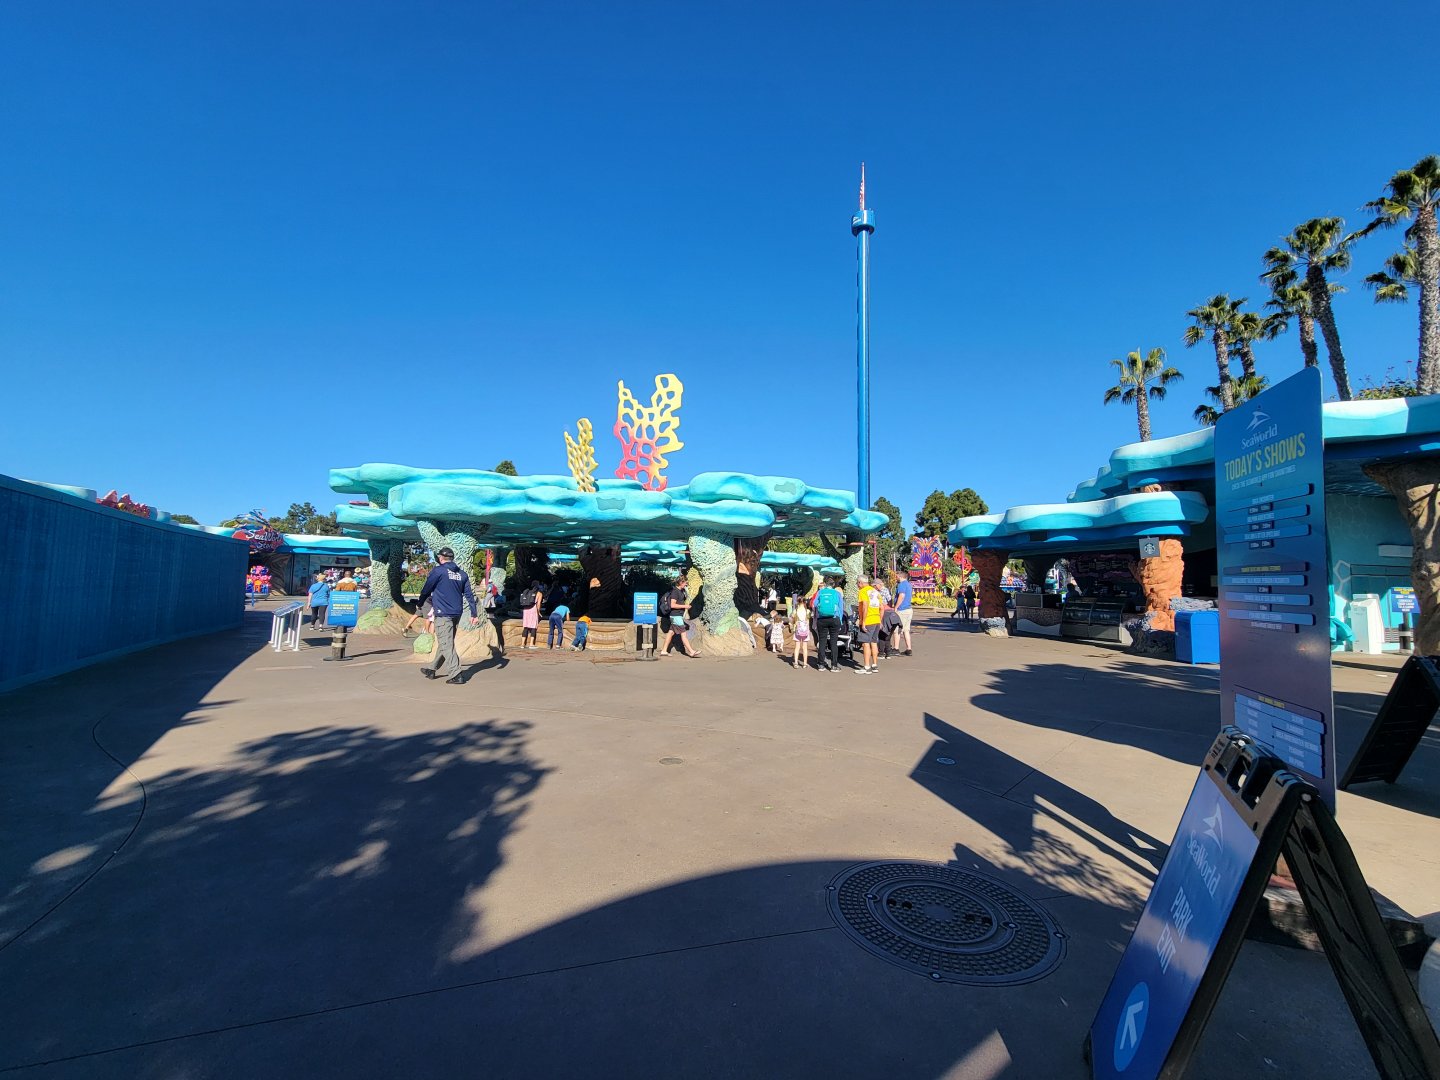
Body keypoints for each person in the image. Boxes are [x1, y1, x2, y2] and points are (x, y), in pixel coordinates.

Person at [417, 546, 480, 684]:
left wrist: (420, 603)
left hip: (443, 613)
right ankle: (432, 668)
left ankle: (456, 673)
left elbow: (427, 588)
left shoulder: (439, 571)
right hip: (457, 613)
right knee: (446, 643)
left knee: (446, 644)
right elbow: (470, 595)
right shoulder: (462, 574)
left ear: (440, 558)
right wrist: (474, 613)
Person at [660, 574, 699, 657]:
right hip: (676, 615)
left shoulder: (681, 591)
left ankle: (664, 650)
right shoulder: (675, 592)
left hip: (676, 615)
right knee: (683, 634)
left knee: (670, 633)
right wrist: (685, 606)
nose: (686, 584)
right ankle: (691, 651)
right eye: (685, 583)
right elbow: (673, 605)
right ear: (681, 582)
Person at [813, 576, 844, 671]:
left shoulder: (820, 592)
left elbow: (814, 604)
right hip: (834, 619)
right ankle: (834, 665)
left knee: (822, 641)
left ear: (825, 584)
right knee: (833, 642)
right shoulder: (837, 593)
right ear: (833, 585)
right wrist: (841, 621)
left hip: (822, 619)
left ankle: (821, 664)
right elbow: (841, 607)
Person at [855, 574, 883, 675]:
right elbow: (881, 607)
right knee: (874, 642)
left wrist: (863, 621)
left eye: (857, 583)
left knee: (865, 643)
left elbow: (865, 606)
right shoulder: (875, 591)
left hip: (869, 620)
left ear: (860, 583)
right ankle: (874, 665)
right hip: (876, 619)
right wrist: (880, 620)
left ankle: (866, 667)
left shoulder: (863, 591)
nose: (857, 585)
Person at [893, 568, 914, 655]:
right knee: (906, 630)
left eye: (896, 577)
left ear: (900, 576)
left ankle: (896, 648)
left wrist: (896, 607)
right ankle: (909, 649)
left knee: (897, 629)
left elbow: (901, 596)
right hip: (908, 609)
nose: (896, 578)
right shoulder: (909, 584)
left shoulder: (901, 584)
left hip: (902, 609)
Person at [519, 580, 544, 650]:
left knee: (525, 626)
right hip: (533, 610)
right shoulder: (539, 593)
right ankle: (531, 644)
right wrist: (538, 612)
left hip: (525, 610)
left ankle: (522, 644)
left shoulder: (527, 592)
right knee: (533, 626)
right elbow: (538, 604)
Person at [791, 601, 812, 669]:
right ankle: (805, 663)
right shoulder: (807, 611)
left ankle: (796, 663)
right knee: (805, 647)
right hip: (805, 631)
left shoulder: (795, 611)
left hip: (797, 630)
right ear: (805, 602)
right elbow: (809, 619)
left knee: (797, 647)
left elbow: (792, 619)